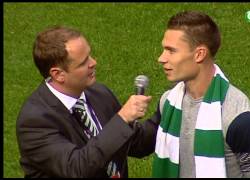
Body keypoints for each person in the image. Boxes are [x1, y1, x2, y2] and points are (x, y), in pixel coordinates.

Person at [16, 26, 161, 178]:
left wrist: (167, 109)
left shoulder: (99, 93)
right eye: (83, 62)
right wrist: (122, 119)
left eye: (89, 55)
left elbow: (137, 144)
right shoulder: (35, 121)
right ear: (58, 74)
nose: (93, 62)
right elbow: (77, 168)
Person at [152, 11, 250, 178]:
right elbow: (140, 144)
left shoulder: (241, 119)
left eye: (171, 51)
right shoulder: (168, 102)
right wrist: (122, 119)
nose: (161, 58)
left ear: (199, 54)